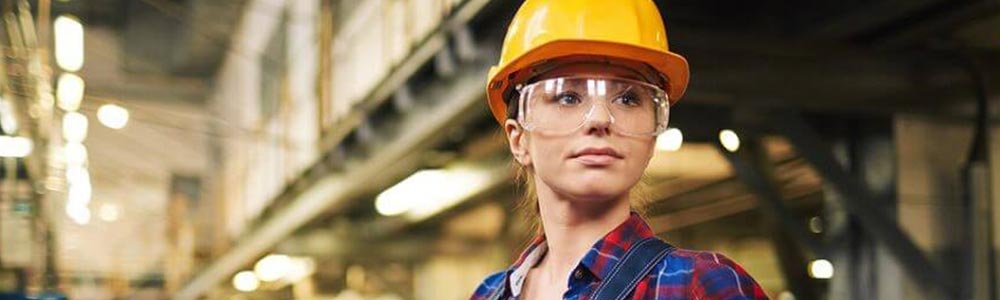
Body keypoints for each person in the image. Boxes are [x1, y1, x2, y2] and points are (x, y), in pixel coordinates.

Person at [469, 0, 768, 299]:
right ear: (518, 139)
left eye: (627, 99)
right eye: (568, 97)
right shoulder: (489, 294)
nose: (600, 119)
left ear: (651, 138)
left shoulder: (699, 286)